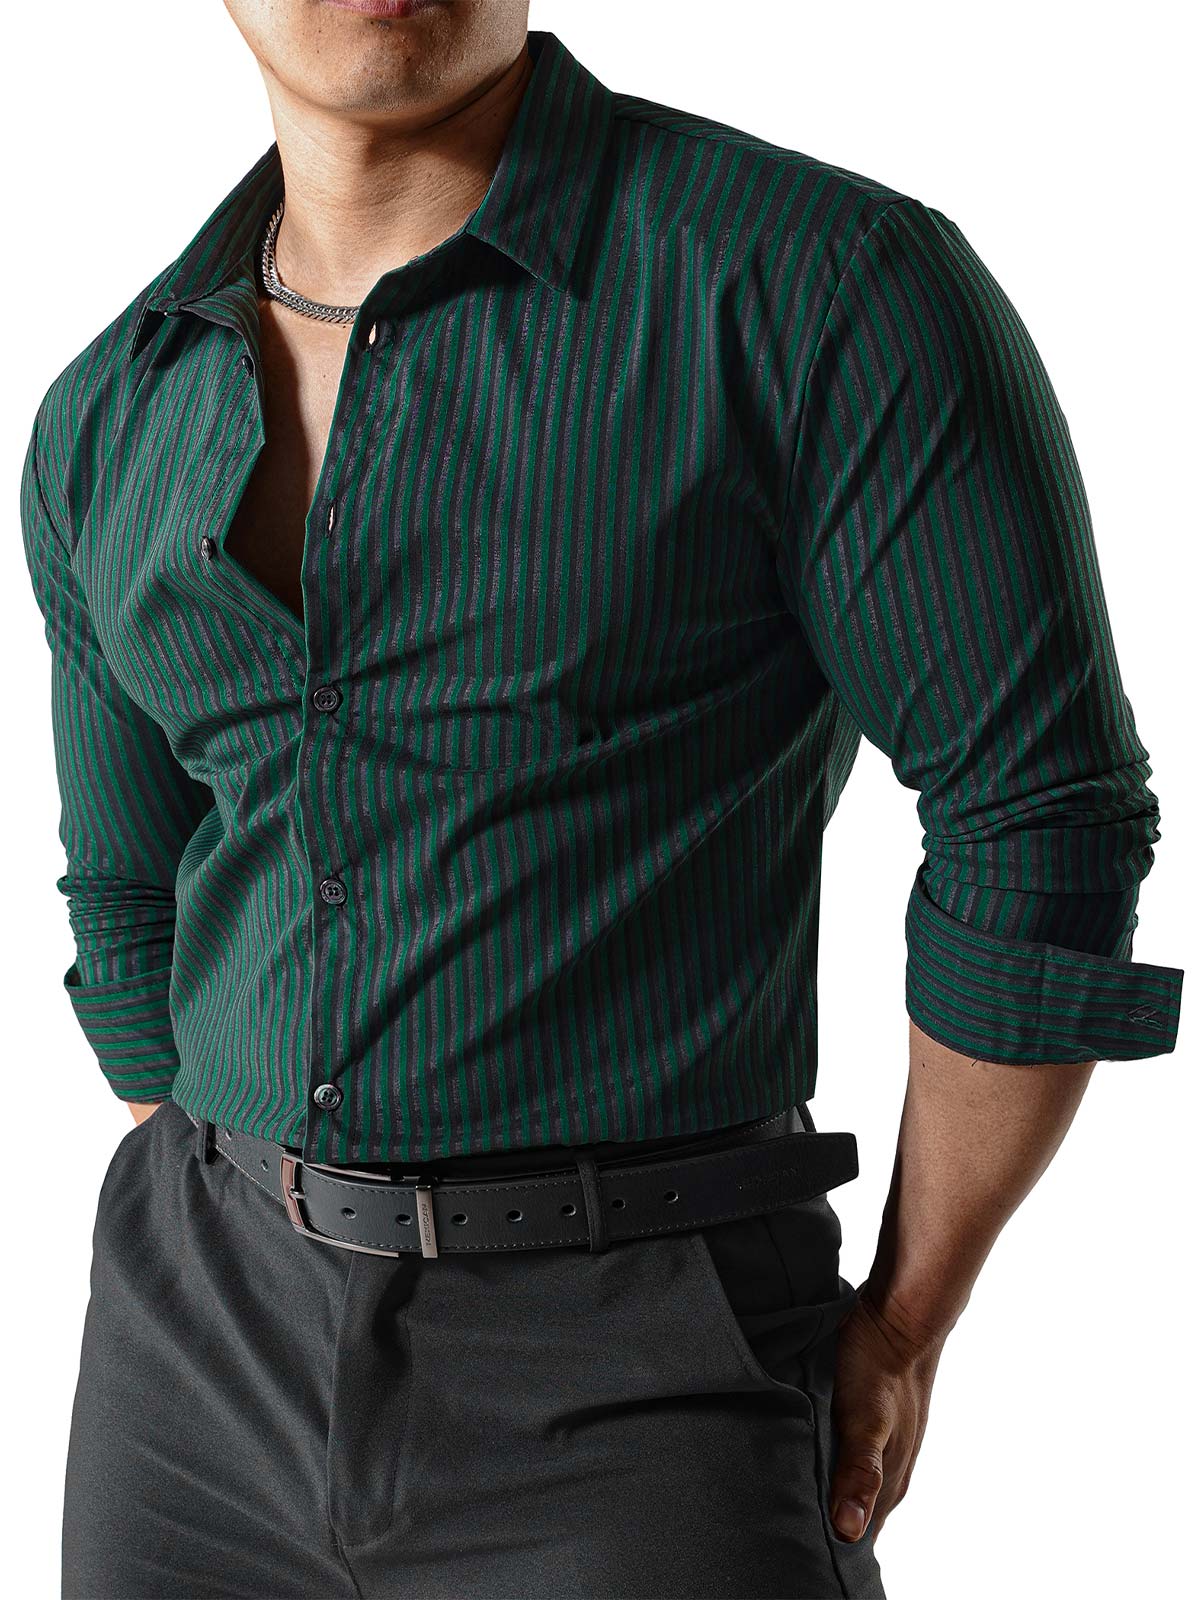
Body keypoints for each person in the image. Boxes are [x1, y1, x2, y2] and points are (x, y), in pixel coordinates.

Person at [20, 3, 1184, 1597]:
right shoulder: (107, 408)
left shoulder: (818, 289)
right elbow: (128, 897)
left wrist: (908, 1320)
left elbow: (1037, 826)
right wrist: (255, 1206)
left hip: (642, 1363)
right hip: (189, 1379)